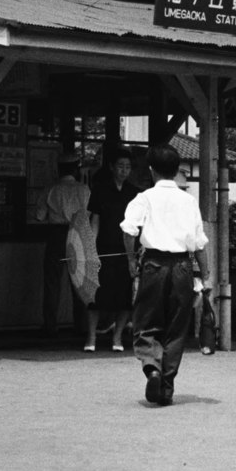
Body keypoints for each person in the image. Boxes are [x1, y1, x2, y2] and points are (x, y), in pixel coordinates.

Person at [121, 144, 211, 407]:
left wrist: (131, 260)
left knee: (145, 322)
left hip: (153, 265)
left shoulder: (144, 198)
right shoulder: (188, 201)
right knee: (176, 327)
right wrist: (205, 276)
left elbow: (129, 230)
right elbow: (199, 244)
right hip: (182, 266)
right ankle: (167, 386)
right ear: (176, 170)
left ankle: (152, 368)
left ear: (151, 170)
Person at [36, 153, 102, 351]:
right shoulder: (84, 189)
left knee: (52, 282)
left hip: (56, 235)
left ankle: (50, 325)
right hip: (79, 234)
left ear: (58, 170)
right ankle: (81, 325)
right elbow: (91, 214)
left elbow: (39, 216)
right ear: (76, 169)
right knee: (79, 280)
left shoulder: (51, 189)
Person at [87, 143, 140, 352]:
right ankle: (91, 337)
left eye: (128, 167)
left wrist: (135, 253)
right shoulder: (100, 190)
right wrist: (91, 249)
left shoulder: (135, 193)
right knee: (96, 295)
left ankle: (117, 337)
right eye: (120, 166)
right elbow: (95, 221)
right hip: (103, 248)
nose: (124, 170)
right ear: (111, 166)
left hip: (126, 251)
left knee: (124, 297)